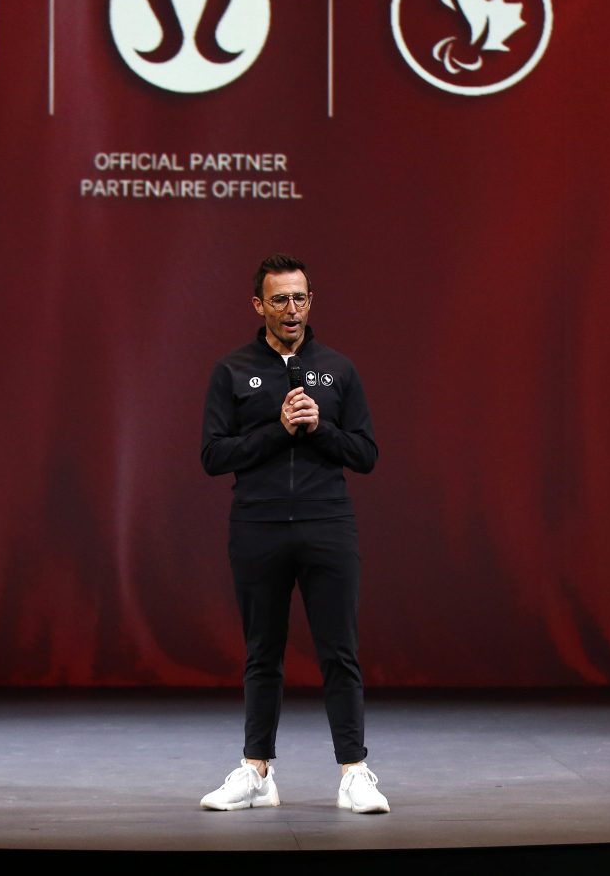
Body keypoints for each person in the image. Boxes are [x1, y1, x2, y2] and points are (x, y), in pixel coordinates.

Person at [198, 253, 390, 814]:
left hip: (327, 523)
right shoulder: (231, 370)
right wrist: (277, 430)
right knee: (262, 652)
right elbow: (213, 455)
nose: (291, 309)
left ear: (311, 302)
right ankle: (256, 772)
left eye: (299, 298)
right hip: (257, 526)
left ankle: (354, 773)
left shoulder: (339, 369)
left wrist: (318, 427)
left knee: (340, 651)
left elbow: (367, 454)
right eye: (279, 299)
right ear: (259, 305)